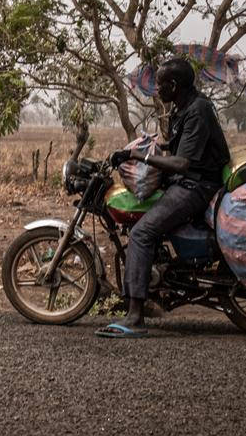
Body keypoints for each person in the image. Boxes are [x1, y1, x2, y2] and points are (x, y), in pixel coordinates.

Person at [96, 57, 229, 338]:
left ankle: (134, 317)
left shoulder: (197, 110)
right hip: (187, 182)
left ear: (174, 85)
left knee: (142, 234)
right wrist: (146, 146)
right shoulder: (185, 108)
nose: (156, 89)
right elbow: (178, 146)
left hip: (195, 187)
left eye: (160, 83)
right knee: (144, 224)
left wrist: (137, 155)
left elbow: (182, 163)